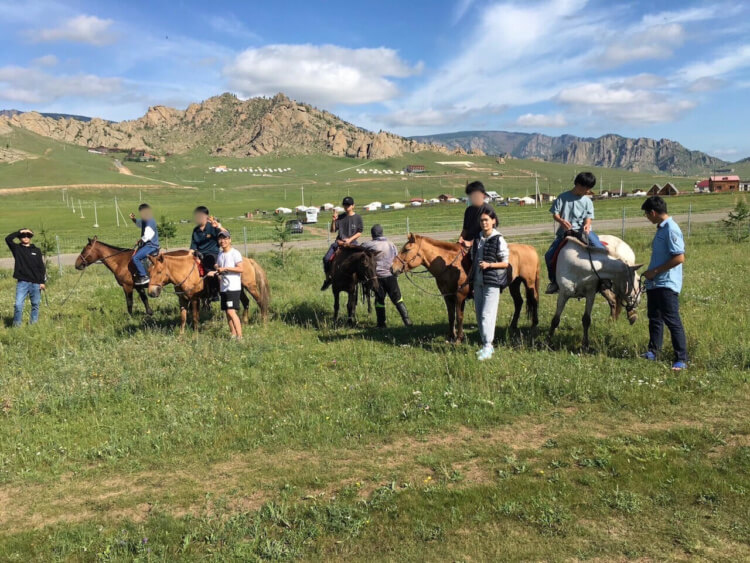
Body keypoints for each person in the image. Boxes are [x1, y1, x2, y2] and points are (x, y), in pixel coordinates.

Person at [640, 196, 688, 371]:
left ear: (653, 212)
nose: (647, 218)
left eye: (647, 214)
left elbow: (679, 257)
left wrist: (655, 271)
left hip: (666, 283)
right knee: (654, 318)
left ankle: (681, 358)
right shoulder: (661, 229)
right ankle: (653, 351)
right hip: (655, 283)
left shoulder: (671, 229)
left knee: (672, 319)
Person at [544, 172, 604, 294]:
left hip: (583, 231)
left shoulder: (587, 201)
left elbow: (588, 216)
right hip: (565, 232)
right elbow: (555, 214)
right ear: (577, 184)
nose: (587, 191)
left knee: (601, 249)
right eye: (585, 188)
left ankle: (604, 280)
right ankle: (554, 282)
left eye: (589, 188)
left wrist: (587, 224)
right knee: (549, 256)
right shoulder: (562, 197)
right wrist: (561, 221)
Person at [470, 209, 510, 361]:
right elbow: (474, 260)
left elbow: (505, 262)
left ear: (493, 221)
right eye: (481, 221)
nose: (484, 223)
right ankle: (486, 345)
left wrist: (490, 265)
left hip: (492, 282)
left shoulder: (498, 239)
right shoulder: (478, 238)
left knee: (487, 314)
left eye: (486, 220)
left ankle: (488, 345)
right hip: (478, 282)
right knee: (479, 314)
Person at [361, 224, 412, 328]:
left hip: (377, 278)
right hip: (390, 276)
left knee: (379, 300)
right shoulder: (391, 244)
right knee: (398, 299)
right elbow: (396, 258)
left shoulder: (369, 245)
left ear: (372, 234)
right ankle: (407, 322)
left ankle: (381, 324)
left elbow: (361, 248)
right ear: (382, 232)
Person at [207, 230, 244, 340]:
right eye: (220, 239)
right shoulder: (220, 254)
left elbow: (240, 269)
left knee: (231, 311)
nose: (222, 241)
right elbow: (221, 270)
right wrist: (215, 271)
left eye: (225, 239)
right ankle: (233, 335)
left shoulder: (235, 253)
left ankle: (240, 336)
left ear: (230, 240)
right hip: (224, 287)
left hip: (233, 287)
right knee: (227, 313)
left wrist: (226, 268)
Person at [321, 196, 363, 290]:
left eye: (348, 205)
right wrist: (334, 220)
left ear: (353, 206)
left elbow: (359, 232)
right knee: (326, 259)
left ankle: (362, 278)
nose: (346, 206)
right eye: (345, 205)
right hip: (339, 242)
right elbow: (332, 231)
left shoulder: (358, 218)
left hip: (353, 243)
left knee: (362, 258)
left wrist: (350, 240)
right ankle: (328, 279)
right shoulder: (340, 217)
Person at [6, 229, 46, 326]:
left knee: (35, 305)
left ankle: (33, 325)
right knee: (18, 305)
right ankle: (16, 326)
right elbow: (8, 239)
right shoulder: (17, 249)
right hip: (22, 282)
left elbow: (41, 267)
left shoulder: (37, 250)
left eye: (28, 235)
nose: (26, 237)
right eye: (23, 236)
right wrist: (20, 231)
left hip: (36, 283)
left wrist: (42, 282)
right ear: (19, 238)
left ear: (31, 237)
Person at [190, 206, 224, 301]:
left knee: (209, 264)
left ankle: (214, 292)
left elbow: (226, 235)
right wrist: (189, 257)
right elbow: (192, 247)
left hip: (212, 253)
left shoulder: (212, 227)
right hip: (199, 254)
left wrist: (218, 227)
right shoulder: (195, 230)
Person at [458, 181, 495, 249]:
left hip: (483, 246)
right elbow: (465, 229)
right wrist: (460, 239)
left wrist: (471, 243)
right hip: (467, 244)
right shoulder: (468, 210)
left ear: (482, 195)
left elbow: (488, 234)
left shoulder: (488, 209)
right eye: (470, 195)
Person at [129, 203, 160, 286]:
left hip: (151, 246)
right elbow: (139, 223)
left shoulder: (149, 221)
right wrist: (133, 219)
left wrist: (140, 240)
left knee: (135, 258)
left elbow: (148, 235)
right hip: (147, 245)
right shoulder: (145, 219)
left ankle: (144, 276)